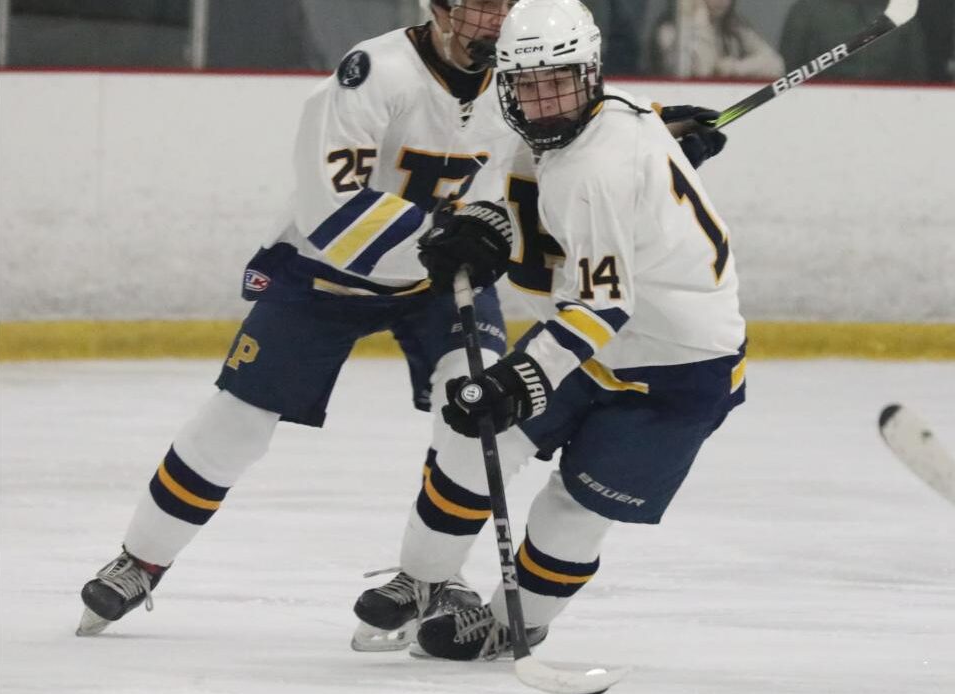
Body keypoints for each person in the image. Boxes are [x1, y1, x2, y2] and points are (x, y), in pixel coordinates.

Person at [76, 0, 526, 649]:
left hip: (441, 282)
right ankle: (141, 559)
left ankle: (429, 576)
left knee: (476, 410)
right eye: (485, 5)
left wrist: (654, 140)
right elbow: (330, 206)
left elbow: (569, 144)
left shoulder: (519, 82)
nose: (500, 19)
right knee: (235, 424)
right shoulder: (375, 72)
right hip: (328, 274)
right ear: (440, 7)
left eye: (511, 5)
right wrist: (444, 234)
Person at [361, 0, 747, 661]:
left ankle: (517, 623)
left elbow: (602, 307)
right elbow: (505, 185)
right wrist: (478, 224)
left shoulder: (598, 169)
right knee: (470, 441)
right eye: (529, 84)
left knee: (575, 506)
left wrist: (518, 378)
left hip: (676, 367)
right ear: (507, 82)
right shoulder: (583, 121)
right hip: (589, 347)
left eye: (560, 82)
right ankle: (422, 579)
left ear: (591, 73)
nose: (544, 100)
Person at [780, 0, 929, 82]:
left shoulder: (901, 13)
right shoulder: (807, 12)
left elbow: (918, 81)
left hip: (889, 115)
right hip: (820, 114)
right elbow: (788, 76)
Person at [650, 0, 784, 78]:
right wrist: (699, 17)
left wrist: (733, 68)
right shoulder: (671, 31)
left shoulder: (735, 28)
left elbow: (776, 65)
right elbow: (701, 70)